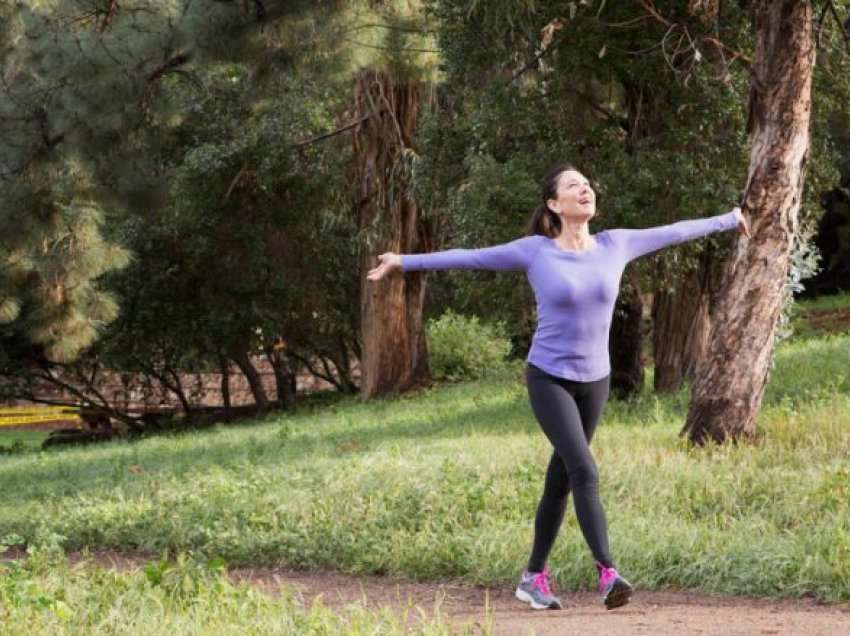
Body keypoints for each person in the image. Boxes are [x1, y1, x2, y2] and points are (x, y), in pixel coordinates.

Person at [366, 164, 751, 611]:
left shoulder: (616, 244)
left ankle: (533, 576)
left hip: (596, 381)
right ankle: (608, 573)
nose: (585, 188)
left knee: (561, 480)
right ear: (554, 204)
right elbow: (471, 256)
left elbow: (675, 230)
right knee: (584, 470)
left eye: (588, 183)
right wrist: (403, 261)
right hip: (548, 378)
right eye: (573, 185)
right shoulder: (536, 252)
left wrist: (729, 219)